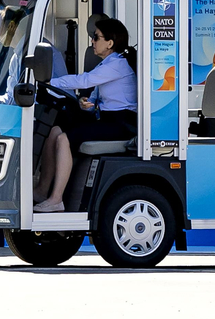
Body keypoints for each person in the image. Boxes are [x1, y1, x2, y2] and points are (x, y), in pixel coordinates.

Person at [31, 13, 138, 212]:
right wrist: (86, 102)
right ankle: (42, 190)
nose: (92, 41)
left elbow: (85, 81)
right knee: (54, 131)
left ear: (110, 43)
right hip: (108, 119)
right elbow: (95, 93)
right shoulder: (107, 64)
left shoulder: (118, 64)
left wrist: (48, 82)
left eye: (96, 37)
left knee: (64, 139)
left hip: (122, 123)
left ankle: (56, 200)